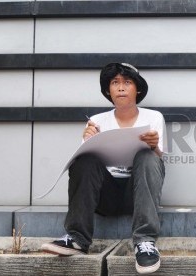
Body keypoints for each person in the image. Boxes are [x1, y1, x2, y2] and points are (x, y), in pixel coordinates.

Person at [41, 63, 166, 275]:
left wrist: (154, 146)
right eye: (115, 83)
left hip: (137, 196)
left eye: (127, 82)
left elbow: (157, 162)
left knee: (148, 156)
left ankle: (145, 242)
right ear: (108, 91)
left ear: (138, 89)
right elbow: (83, 164)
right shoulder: (97, 121)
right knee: (85, 159)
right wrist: (87, 141)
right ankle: (77, 239)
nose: (121, 87)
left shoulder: (153, 117)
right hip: (104, 195)